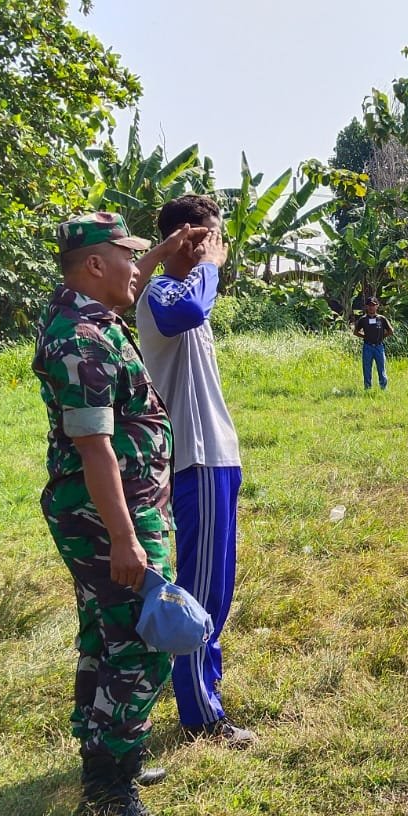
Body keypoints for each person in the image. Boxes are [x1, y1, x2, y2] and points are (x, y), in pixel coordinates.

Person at [35, 211, 206, 816]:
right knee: (141, 642)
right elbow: (95, 449)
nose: (140, 267)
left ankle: (108, 763)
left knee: (106, 638)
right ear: (94, 266)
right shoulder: (80, 338)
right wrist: (127, 540)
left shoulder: (90, 318)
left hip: (121, 508)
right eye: (128, 257)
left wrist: (160, 252)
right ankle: (112, 796)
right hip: (111, 516)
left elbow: (134, 277)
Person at [137, 196, 256, 749]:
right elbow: (183, 311)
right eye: (209, 237)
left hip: (218, 459)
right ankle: (200, 714)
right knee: (202, 591)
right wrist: (205, 264)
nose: (218, 248)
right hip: (196, 460)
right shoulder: (166, 293)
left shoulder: (193, 297)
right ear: (184, 238)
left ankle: (204, 693)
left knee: (219, 587)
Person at [353, 298, 393, 390]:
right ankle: (367, 388)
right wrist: (365, 337)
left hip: (379, 346)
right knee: (367, 368)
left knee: (381, 368)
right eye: (369, 305)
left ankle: (383, 388)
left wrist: (382, 336)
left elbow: (391, 331)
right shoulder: (363, 319)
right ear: (366, 307)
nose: (371, 307)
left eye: (373, 305)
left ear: (377, 306)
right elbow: (355, 332)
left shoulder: (381, 319)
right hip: (367, 347)